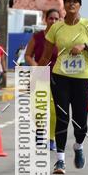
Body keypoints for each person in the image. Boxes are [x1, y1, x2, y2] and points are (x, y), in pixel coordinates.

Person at [38, 0, 88, 174]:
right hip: (60, 77)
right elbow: (45, 56)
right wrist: (34, 78)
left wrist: (85, 47)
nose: (71, 4)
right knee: (62, 117)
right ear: (64, 6)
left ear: (79, 6)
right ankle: (60, 160)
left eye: (75, 2)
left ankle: (78, 146)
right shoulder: (56, 28)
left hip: (82, 79)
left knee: (80, 122)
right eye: (68, 2)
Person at [24, 8, 59, 150]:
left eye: (57, 19)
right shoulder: (37, 37)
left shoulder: (61, 38)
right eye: (51, 18)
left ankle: (51, 139)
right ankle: (39, 132)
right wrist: (36, 66)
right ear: (46, 19)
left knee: (54, 110)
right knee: (37, 109)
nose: (54, 21)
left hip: (57, 78)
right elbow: (27, 55)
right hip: (39, 77)